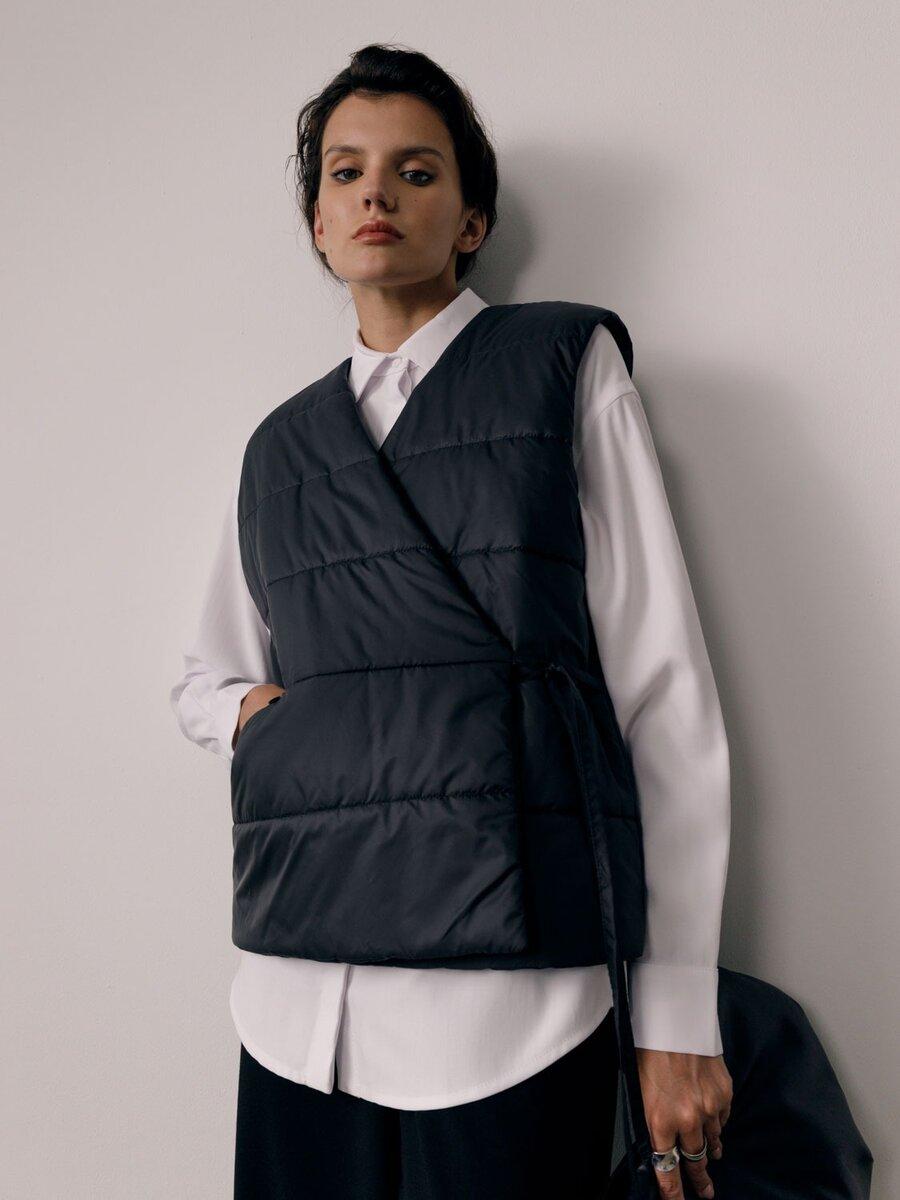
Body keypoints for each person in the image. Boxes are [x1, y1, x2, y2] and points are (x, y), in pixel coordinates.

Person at [170, 43, 733, 1200]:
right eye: (346, 173)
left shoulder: (562, 369)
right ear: (319, 222)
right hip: (298, 1002)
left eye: (415, 171)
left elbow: (661, 693)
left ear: (472, 220)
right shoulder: (279, 447)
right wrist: (262, 719)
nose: (375, 193)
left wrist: (678, 1009)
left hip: (511, 1006)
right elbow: (201, 680)